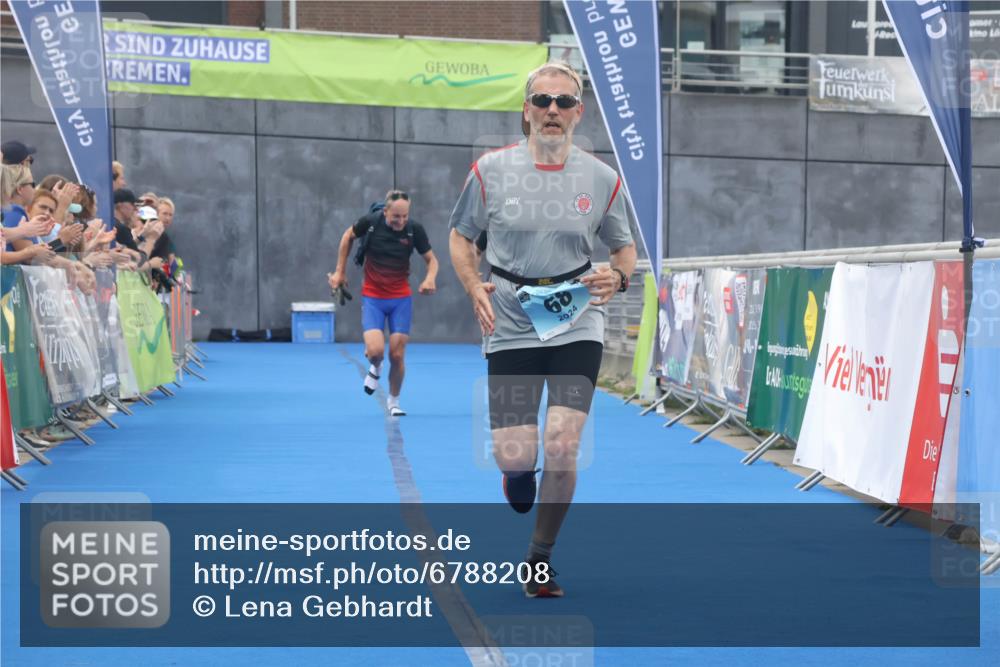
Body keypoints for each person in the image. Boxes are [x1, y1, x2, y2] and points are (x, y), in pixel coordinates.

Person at [448, 62, 637, 598]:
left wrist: (618, 275)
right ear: (526, 111)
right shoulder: (490, 170)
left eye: (563, 102)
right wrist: (471, 284)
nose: (552, 110)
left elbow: (624, 247)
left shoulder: (602, 179)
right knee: (515, 456)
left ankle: (539, 557)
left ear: (579, 113)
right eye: (542, 101)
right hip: (509, 317)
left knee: (562, 442)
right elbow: (462, 238)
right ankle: (516, 472)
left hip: (576, 314)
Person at [327, 190, 438, 417]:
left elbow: (432, 260)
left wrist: (430, 278)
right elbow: (347, 236)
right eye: (396, 216)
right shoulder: (370, 223)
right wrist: (340, 271)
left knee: (397, 355)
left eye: (405, 216)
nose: (401, 221)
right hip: (374, 298)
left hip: (400, 299)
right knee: (376, 351)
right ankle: (375, 367)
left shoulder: (413, 230)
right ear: (385, 211)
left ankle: (394, 402)